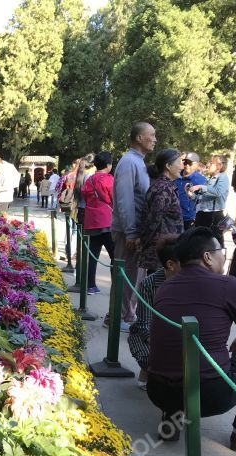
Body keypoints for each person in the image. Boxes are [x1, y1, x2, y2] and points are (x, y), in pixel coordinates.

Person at [147, 227, 236, 451]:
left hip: (158, 391)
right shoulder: (226, 285)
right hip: (210, 395)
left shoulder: (164, 287)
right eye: (221, 251)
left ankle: (171, 420)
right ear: (207, 257)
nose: (224, 257)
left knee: (177, 351)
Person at [110, 122, 156, 332]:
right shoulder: (129, 162)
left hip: (136, 231)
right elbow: (125, 200)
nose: (154, 140)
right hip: (129, 232)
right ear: (139, 138)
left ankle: (125, 314)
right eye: (151, 135)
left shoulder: (138, 162)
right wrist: (131, 231)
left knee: (135, 276)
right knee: (127, 275)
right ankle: (122, 317)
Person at [129, 236, 180, 390]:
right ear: (170, 264)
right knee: (155, 358)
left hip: (177, 335)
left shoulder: (192, 283)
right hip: (149, 336)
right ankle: (149, 371)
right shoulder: (149, 284)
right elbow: (144, 324)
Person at [137, 148, 184, 274]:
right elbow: (153, 220)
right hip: (160, 254)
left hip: (164, 252)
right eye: (179, 162)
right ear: (168, 166)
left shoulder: (165, 186)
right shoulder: (164, 189)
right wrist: (143, 243)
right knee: (158, 290)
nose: (182, 166)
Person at [81, 151, 114, 295]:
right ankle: (116, 286)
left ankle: (90, 286)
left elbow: (85, 196)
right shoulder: (109, 179)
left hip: (91, 220)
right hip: (107, 220)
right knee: (115, 255)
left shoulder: (89, 180)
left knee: (92, 255)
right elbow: (114, 198)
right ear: (108, 165)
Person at [190, 154, 230, 247]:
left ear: (219, 166)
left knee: (213, 246)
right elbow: (202, 199)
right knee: (199, 245)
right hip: (203, 215)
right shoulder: (209, 180)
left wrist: (200, 186)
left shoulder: (222, 177)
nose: (208, 164)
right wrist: (191, 195)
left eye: (211, 162)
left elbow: (218, 192)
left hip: (213, 216)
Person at [175, 152, 208, 228]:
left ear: (197, 165)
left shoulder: (201, 180)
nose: (187, 165)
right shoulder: (175, 175)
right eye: (185, 162)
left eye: (190, 163)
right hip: (173, 218)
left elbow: (203, 201)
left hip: (189, 220)